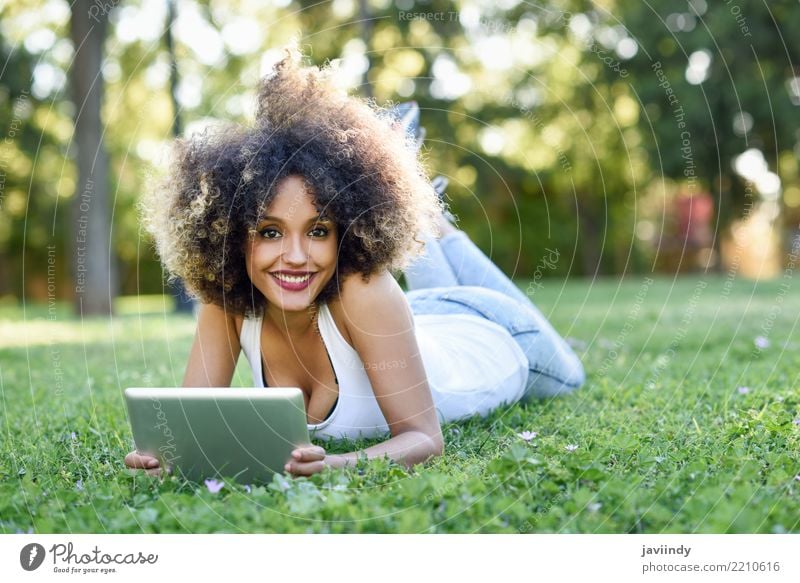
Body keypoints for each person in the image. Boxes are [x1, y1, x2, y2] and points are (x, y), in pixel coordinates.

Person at [125, 51, 584, 478]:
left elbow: (425, 438)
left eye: (319, 230)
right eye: (269, 232)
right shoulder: (229, 301)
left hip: (494, 334)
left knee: (574, 376)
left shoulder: (364, 289)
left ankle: (431, 222)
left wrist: (337, 464)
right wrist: (163, 457)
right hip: (414, 324)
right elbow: (184, 430)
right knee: (413, 300)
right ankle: (426, 216)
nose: (297, 256)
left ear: (345, 230)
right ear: (230, 236)